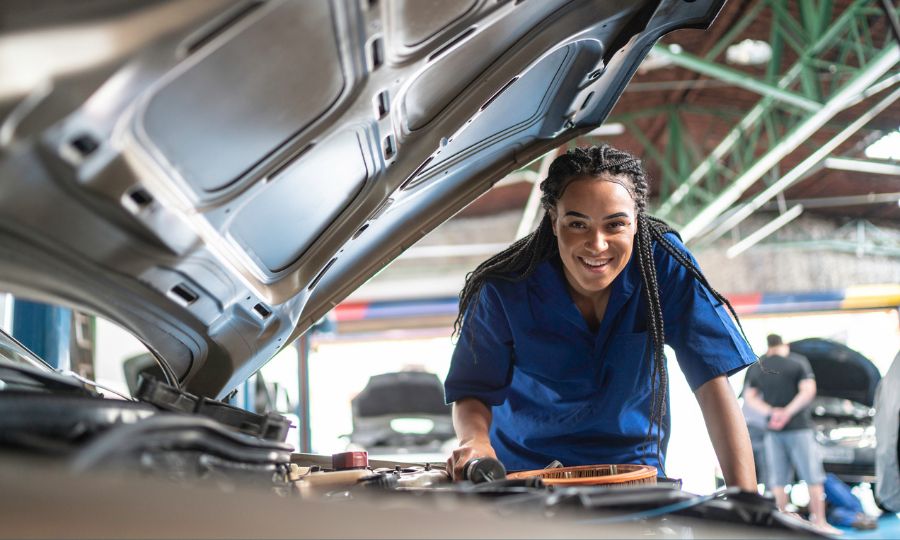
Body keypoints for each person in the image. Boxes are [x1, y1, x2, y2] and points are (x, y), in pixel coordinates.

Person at [443, 144, 758, 491]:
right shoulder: (505, 287)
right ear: (553, 219)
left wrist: (747, 501)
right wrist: (474, 442)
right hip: (527, 479)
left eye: (615, 225)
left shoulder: (661, 266)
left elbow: (712, 381)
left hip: (633, 476)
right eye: (577, 223)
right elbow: (472, 390)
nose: (597, 244)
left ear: (636, 221)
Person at [743, 334, 832, 530]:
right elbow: (808, 391)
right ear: (785, 345)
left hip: (773, 431)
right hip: (799, 428)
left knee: (777, 480)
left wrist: (772, 412)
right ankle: (821, 523)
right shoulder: (797, 362)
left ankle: (779, 526)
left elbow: (749, 398)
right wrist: (787, 412)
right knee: (813, 476)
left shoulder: (758, 365)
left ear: (768, 347)